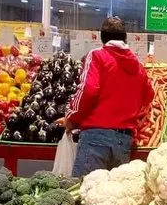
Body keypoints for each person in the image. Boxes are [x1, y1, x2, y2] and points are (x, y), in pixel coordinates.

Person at [61, 17, 154, 177]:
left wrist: (72, 118)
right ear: (125, 38)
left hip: (95, 137)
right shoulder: (138, 66)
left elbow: (88, 90)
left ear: (102, 38)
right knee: (114, 191)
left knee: (86, 189)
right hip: (124, 141)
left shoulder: (96, 56)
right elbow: (148, 96)